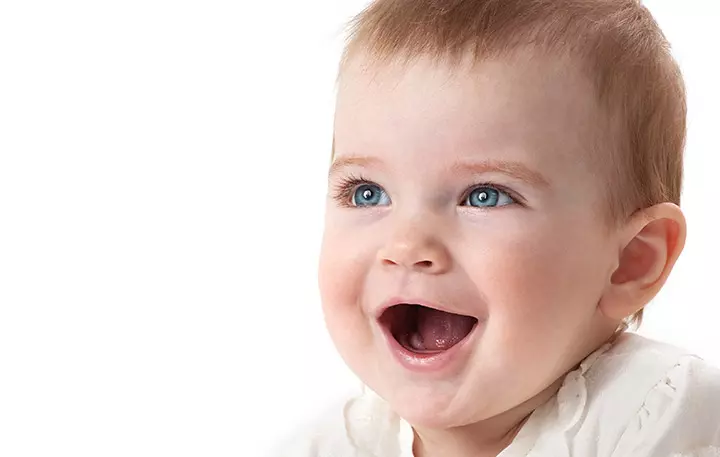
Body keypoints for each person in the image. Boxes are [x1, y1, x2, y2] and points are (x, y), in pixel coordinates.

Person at [274, 1, 720, 455]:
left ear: (630, 261)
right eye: (367, 192)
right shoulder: (326, 444)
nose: (406, 245)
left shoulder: (660, 415)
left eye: (485, 195)